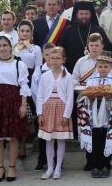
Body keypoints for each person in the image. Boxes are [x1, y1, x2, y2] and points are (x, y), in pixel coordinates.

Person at [0, 34, 30, 183]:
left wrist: (23, 105)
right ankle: (0, 168)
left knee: (13, 136)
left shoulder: (19, 64)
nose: (2, 48)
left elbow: (23, 85)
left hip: (13, 101)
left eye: (5, 45)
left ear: (11, 46)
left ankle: (11, 167)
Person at [78, 50, 112, 178]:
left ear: (110, 67)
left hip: (108, 117)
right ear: (96, 67)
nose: (103, 69)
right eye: (100, 66)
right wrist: (91, 98)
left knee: (106, 140)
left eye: (106, 67)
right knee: (95, 140)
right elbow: (86, 98)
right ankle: (95, 165)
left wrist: (109, 98)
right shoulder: (91, 82)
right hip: (93, 117)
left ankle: (106, 165)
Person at [36, 47, 73, 180]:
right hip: (48, 110)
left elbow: (70, 98)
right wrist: (40, 113)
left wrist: (66, 115)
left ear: (63, 60)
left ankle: (58, 168)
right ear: (48, 59)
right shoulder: (45, 76)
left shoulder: (68, 76)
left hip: (61, 110)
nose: (55, 60)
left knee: (61, 140)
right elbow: (40, 96)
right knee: (49, 141)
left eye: (58, 58)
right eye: (52, 58)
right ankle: (50, 168)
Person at [57, 1, 112, 74]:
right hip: (72, 68)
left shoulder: (98, 30)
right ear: (77, 14)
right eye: (81, 14)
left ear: (90, 14)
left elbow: (107, 47)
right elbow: (61, 48)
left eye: (86, 14)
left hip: (94, 69)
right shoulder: (68, 30)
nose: (83, 16)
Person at [16, 19, 42, 160]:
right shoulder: (13, 47)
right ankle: (19, 145)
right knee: (19, 114)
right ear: (18, 32)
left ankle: (36, 143)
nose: (24, 33)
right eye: (22, 31)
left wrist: (35, 85)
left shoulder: (36, 49)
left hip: (31, 80)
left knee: (32, 113)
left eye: (27, 31)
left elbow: (38, 67)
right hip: (15, 82)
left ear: (31, 33)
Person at [31, 42, 55, 172]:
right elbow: (34, 91)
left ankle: (56, 159)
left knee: (56, 136)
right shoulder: (39, 70)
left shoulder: (63, 70)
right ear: (43, 56)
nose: (50, 58)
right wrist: (40, 108)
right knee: (42, 136)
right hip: (42, 109)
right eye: (47, 55)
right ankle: (42, 158)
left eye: (53, 55)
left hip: (57, 108)